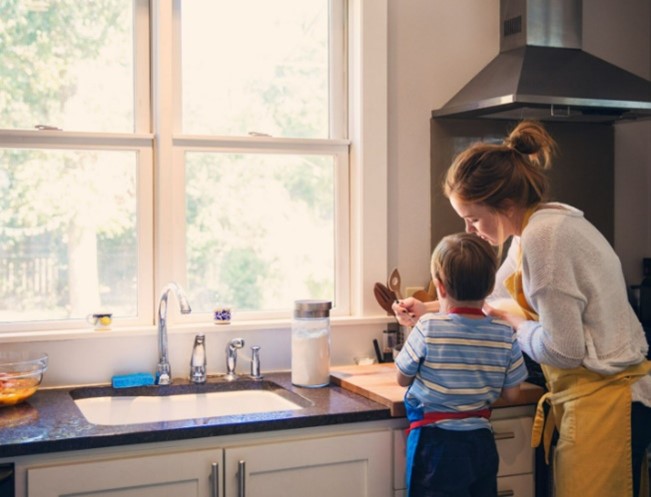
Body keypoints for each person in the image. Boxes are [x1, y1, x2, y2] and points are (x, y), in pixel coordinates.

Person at [393, 120, 651, 497]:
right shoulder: (533, 229)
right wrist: (429, 307)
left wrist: (515, 324)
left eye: (474, 218)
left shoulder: (544, 239)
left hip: (608, 404)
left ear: (505, 204)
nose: (471, 229)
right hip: (589, 400)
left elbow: (564, 351)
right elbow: (490, 298)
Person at [395, 232, 528, 497]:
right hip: (481, 444)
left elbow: (401, 377)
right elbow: (512, 393)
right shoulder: (504, 333)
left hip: (435, 444)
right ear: (491, 287)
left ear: (439, 287)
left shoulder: (428, 326)